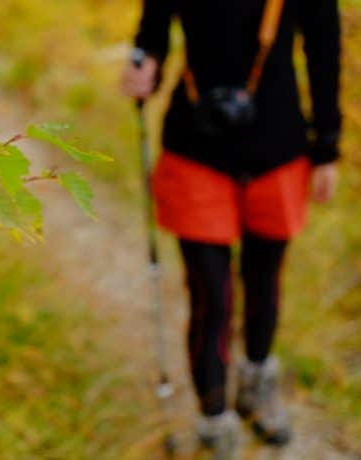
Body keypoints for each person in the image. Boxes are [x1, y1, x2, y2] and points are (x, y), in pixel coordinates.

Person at [121, 0, 341, 454]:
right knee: (211, 297)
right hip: (195, 151)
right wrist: (144, 69)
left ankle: (256, 385)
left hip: (279, 150)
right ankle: (214, 419)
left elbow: (325, 48)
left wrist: (327, 147)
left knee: (264, 282)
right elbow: (153, 33)